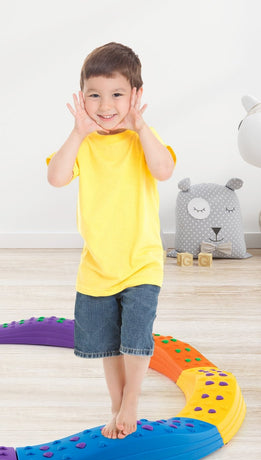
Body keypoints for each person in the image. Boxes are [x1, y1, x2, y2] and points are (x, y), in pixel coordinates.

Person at [47, 43, 175, 439]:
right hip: (98, 266)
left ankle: (132, 400)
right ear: (81, 97)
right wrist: (76, 132)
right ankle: (116, 406)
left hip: (141, 260)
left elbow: (164, 169)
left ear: (135, 96)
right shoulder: (84, 143)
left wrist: (140, 126)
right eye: (94, 95)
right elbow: (56, 177)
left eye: (118, 94)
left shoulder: (142, 140)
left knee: (135, 338)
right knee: (107, 345)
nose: (106, 105)